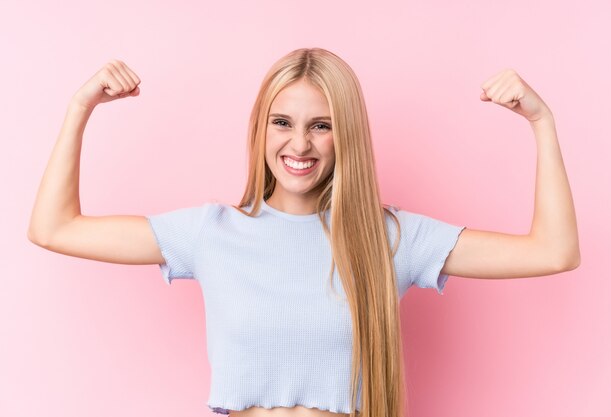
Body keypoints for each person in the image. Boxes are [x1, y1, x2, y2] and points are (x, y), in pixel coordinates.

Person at [27, 47, 580, 417]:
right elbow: (55, 228)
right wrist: (81, 107)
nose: (300, 145)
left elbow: (553, 251)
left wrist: (542, 122)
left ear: (347, 136)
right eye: (283, 123)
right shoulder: (208, 232)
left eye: (322, 126)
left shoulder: (390, 238)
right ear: (260, 129)